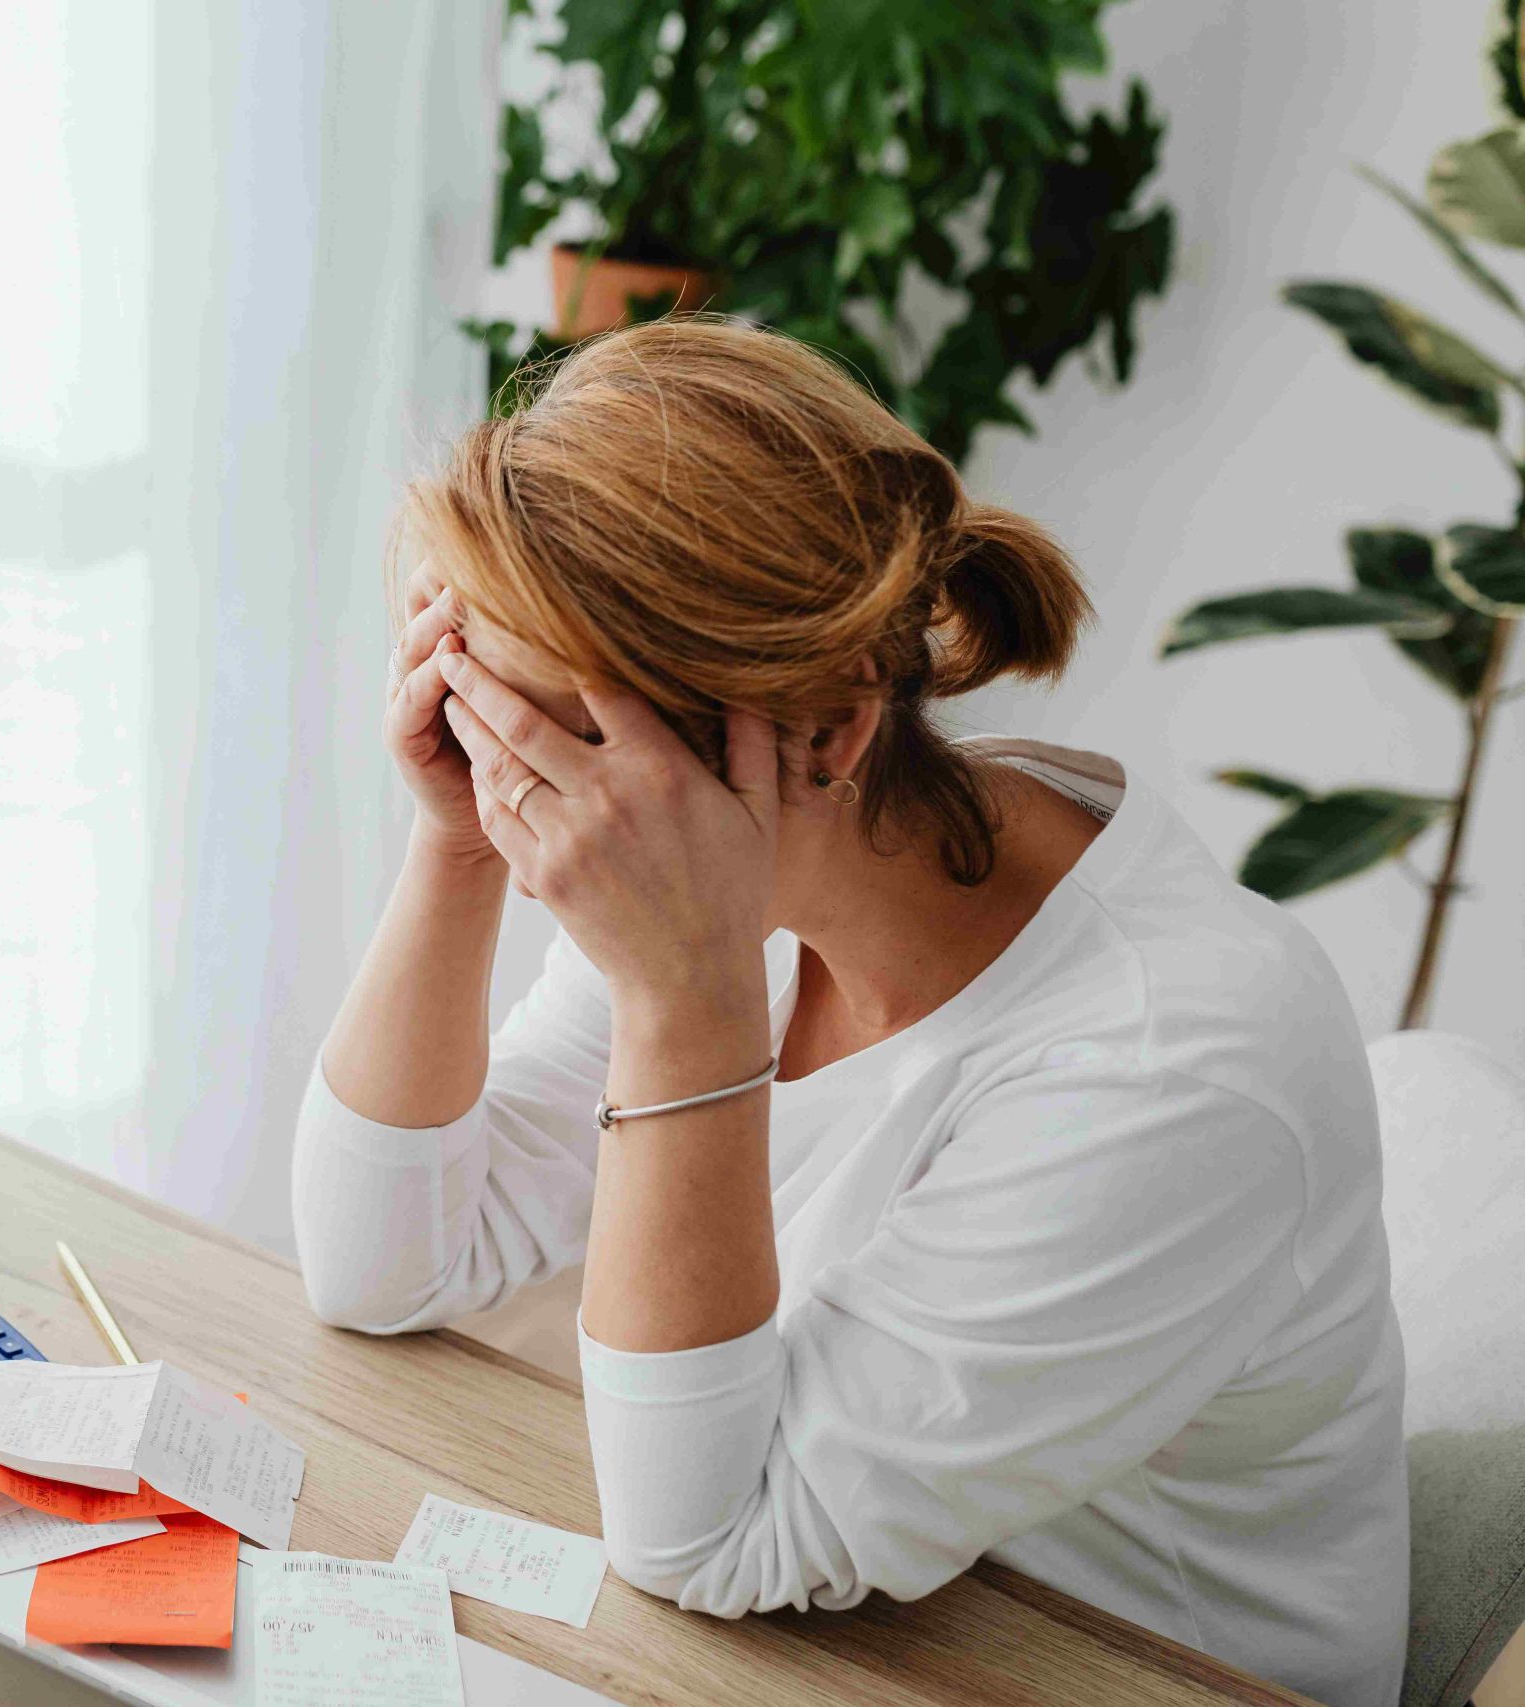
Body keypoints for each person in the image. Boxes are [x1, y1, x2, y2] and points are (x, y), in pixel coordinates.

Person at [294, 317, 1408, 1707]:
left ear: (826, 730)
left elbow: (706, 1538)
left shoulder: (1172, 1066)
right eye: (474, 718)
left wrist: (685, 1003)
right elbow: (380, 1265)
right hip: (852, 1627)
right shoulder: (743, 855)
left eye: (547, 744)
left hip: (1109, 1670)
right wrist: (452, 846)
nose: (533, 811)